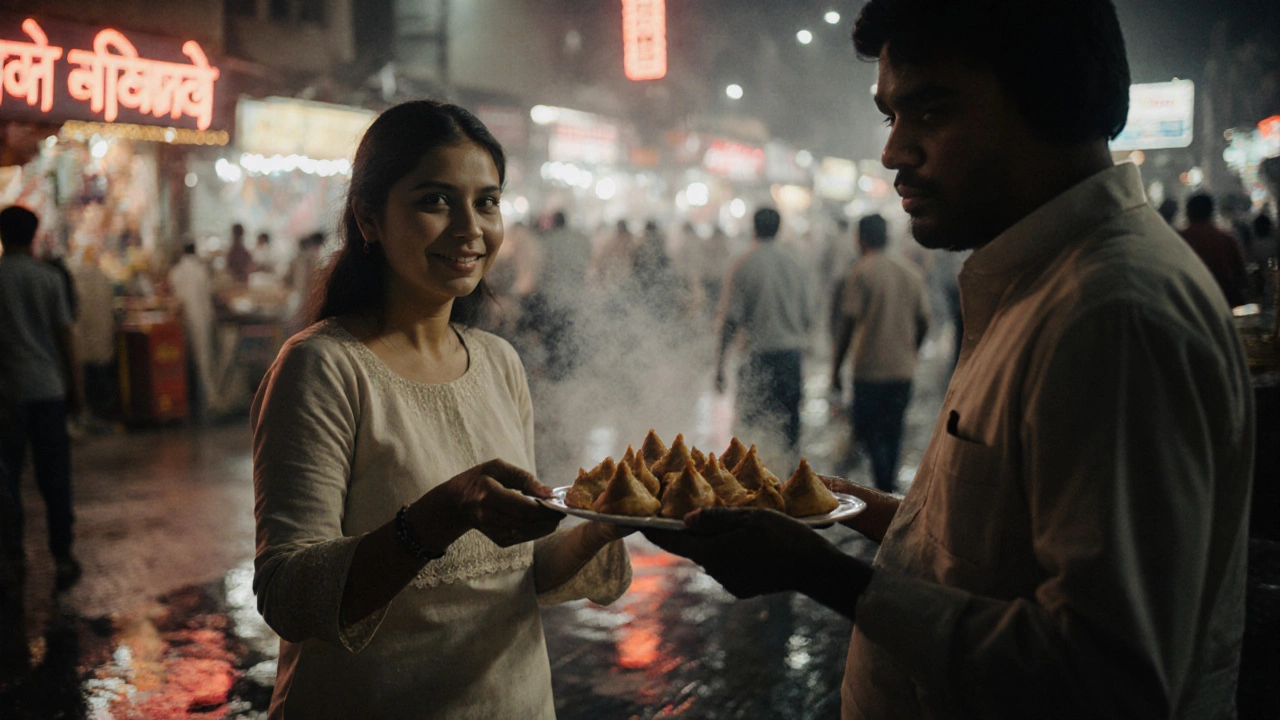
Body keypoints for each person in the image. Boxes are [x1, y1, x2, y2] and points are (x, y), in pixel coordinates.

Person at [647, 1, 1253, 717]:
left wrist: (825, 576)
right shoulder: (1038, 282)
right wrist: (863, 513)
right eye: (889, 117)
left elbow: (1105, 677)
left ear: (1047, 96)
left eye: (928, 112)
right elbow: (1003, 550)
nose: (893, 151)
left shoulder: (1110, 314)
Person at [251, 100, 631, 719]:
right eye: (434, 200)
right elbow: (289, 593)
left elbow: (518, 575)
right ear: (369, 217)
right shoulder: (324, 366)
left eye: (487, 201)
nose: (470, 230)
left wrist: (610, 524)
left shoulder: (499, 362)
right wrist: (438, 517)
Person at [0, 206, 82, 593]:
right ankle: (62, 555)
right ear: (33, 236)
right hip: (48, 389)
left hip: (7, 394)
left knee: (8, 479)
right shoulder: (48, 279)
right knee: (55, 478)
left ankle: (12, 558)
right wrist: (76, 391)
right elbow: (66, 337)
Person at [830, 214, 931, 492]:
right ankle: (887, 486)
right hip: (902, 369)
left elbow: (848, 325)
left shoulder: (861, 271)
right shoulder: (910, 271)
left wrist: (836, 369)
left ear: (859, 239)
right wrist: (912, 350)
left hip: (869, 370)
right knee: (893, 431)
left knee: (871, 433)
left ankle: (882, 488)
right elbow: (925, 320)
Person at [717, 207, 813, 461]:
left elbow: (730, 320)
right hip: (790, 359)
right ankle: (788, 490)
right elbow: (808, 316)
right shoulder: (795, 264)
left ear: (753, 228)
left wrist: (719, 366)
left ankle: (753, 494)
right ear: (779, 229)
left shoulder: (744, 263)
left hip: (757, 360)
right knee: (789, 434)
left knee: (750, 437)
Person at [168, 242, 218, 417]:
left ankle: (188, 400)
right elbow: (208, 295)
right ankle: (209, 399)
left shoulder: (176, 272)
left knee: (183, 361)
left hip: (182, 322)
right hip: (201, 319)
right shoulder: (201, 270)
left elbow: (174, 298)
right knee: (203, 360)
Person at [71, 245, 118, 421]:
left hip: (83, 343)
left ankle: (90, 415)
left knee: (88, 380)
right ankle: (101, 415)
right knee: (101, 378)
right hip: (101, 340)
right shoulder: (103, 278)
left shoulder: (75, 279)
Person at [1180, 193, 1247, 307]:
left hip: (1190, 304)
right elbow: (1240, 275)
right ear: (1211, 213)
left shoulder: (1180, 240)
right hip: (1224, 303)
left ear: (1188, 213)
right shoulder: (1226, 240)